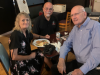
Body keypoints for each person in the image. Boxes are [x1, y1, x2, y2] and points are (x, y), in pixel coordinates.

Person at [51, 5, 100, 75]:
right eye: (72, 15)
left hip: (92, 66)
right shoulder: (75, 28)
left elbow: (98, 52)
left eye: (76, 14)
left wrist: (81, 70)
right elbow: (66, 44)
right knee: (54, 68)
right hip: (78, 63)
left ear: (84, 14)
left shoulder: (95, 26)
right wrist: (61, 59)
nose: (73, 17)